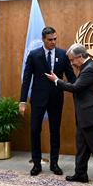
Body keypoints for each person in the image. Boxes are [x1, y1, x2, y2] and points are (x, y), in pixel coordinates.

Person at [45, 43, 93, 186]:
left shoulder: (90, 69)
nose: (71, 63)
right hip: (85, 115)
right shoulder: (85, 68)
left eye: (72, 60)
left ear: (80, 57)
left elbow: (76, 88)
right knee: (82, 146)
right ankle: (81, 173)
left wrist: (57, 81)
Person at [20, 27, 76, 176]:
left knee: (54, 131)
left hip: (56, 98)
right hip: (38, 98)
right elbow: (26, 79)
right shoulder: (34, 55)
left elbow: (71, 77)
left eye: (55, 39)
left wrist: (80, 89)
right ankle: (36, 164)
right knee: (34, 130)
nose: (53, 42)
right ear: (43, 39)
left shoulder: (62, 54)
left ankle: (54, 163)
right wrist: (22, 101)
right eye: (50, 39)